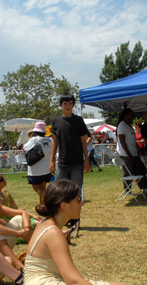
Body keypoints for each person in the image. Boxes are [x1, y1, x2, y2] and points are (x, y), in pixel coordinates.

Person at [24, 180, 146, 285]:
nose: (82, 204)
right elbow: (75, 283)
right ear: (64, 206)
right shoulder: (54, 233)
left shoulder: (44, 225)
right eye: (78, 200)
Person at [50, 92, 90, 233]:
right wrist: (52, 160)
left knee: (76, 192)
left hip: (78, 162)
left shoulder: (78, 120)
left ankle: (75, 219)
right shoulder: (56, 121)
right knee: (61, 192)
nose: (67, 106)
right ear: (61, 105)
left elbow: (84, 141)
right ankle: (62, 218)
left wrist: (87, 160)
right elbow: (54, 142)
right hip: (62, 162)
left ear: (73, 105)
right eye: (65, 104)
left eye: (70, 103)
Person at [116, 108, 147, 195]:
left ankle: (145, 188)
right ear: (126, 115)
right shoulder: (122, 125)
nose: (132, 117)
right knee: (128, 173)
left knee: (140, 171)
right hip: (126, 155)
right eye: (131, 115)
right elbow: (122, 141)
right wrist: (128, 154)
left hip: (134, 153)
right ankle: (127, 190)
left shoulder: (129, 125)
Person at [23, 122, 54, 203]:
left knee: (37, 188)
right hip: (47, 168)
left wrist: (31, 138)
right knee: (43, 187)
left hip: (36, 169)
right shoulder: (50, 140)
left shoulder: (34, 139)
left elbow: (25, 148)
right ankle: (43, 206)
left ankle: (49, 197)